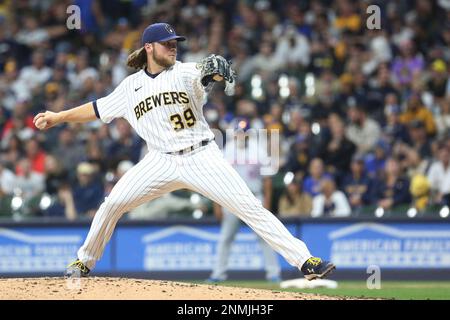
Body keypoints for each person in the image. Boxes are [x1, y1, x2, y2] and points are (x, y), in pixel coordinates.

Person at [33, 23, 335, 280]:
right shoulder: (130, 87)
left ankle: (304, 261)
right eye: (167, 44)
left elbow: (205, 74)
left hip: (201, 156)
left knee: (250, 208)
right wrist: (59, 117)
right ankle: (83, 262)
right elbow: (97, 109)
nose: (173, 47)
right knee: (112, 203)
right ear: (149, 48)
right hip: (160, 160)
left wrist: (213, 75)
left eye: (175, 43)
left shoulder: (186, 71)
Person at [208, 118, 281, 283]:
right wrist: (217, 204)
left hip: (255, 196)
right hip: (232, 198)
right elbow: (219, 178)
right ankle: (218, 274)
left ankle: (273, 273)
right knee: (226, 237)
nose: (242, 135)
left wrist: (267, 202)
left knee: (265, 236)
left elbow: (267, 179)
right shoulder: (228, 149)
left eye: (245, 132)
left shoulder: (258, 149)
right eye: (239, 132)